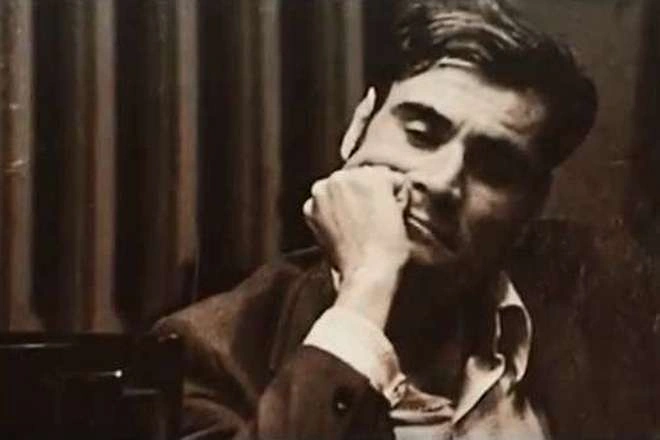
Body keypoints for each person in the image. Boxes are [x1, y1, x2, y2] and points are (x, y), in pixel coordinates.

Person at [155, 0, 659, 438]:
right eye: (420, 132)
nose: (442, 182)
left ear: (532, 206)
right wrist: (367, 287)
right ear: (357, 129)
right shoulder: (208, 354)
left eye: (495, 167)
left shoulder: (597, 306)